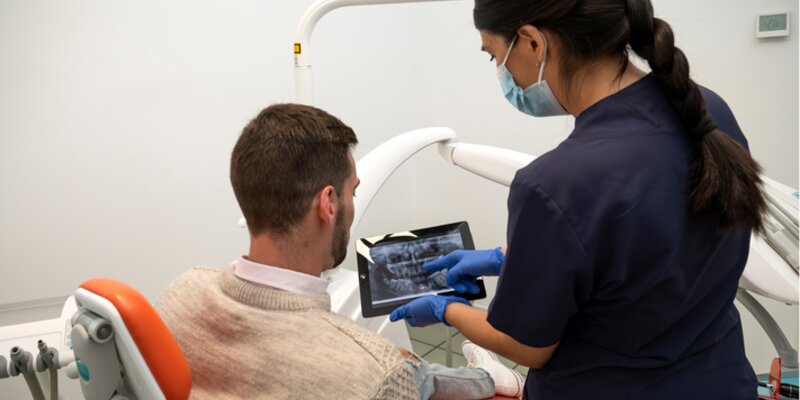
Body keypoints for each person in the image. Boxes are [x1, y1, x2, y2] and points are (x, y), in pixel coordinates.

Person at [390, 1, 766, 399]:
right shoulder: (707, 111)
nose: (501, 70)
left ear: (534, 42)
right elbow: (647, 248)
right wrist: (506, 258)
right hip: (721, 381)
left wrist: (445, 311)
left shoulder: (555, 183)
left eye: (494, 55)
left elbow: (526, 347)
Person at [155, 103, 523, 399]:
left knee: (410, 367)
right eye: (353, 191)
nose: (354, 201)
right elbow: (367, 375)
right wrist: (380, 363)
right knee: (413, 372)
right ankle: (489, 379)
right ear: (328, 203)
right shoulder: (375, 375)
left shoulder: (179, 293)